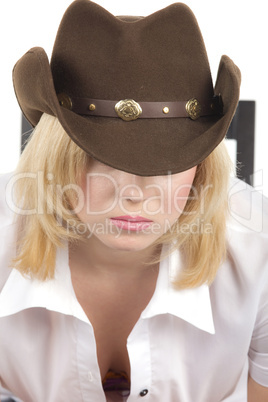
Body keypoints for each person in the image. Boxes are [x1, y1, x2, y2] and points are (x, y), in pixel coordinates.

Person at [0, 0, 267, 401]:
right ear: (55, 155)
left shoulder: (258, 248)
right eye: (98, 156)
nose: (133, 193)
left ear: (201, 164)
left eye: (167, 159)